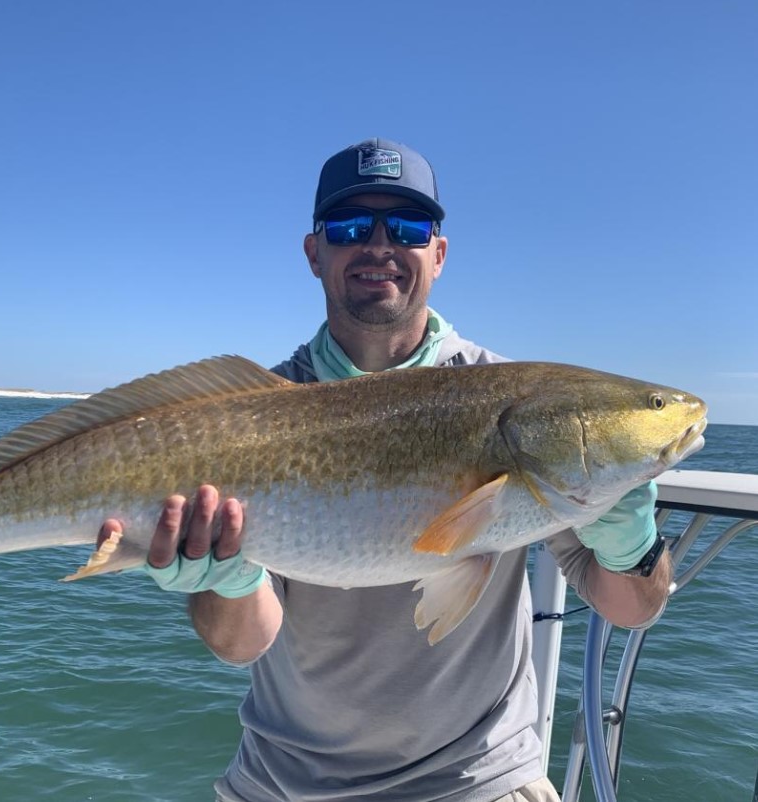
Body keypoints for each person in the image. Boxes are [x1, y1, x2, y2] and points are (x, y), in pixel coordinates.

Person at [97, 138, 671, 802]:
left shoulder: (516, 405)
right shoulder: (249, 413)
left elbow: (632, 608)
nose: (378, 246)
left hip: (479, 782)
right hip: (284, 784)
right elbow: (241, 644)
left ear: (439, 253)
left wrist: (631, 539)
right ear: (315, 253)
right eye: (348, 227)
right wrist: (223, 577)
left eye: (407, 227)